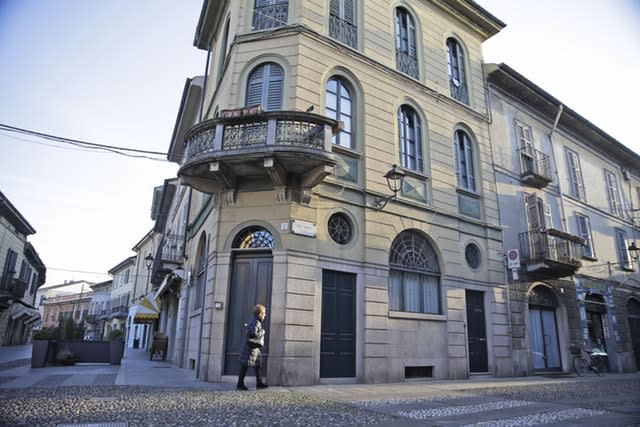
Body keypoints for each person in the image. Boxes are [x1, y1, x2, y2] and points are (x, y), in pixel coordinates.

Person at [237, 303, 269, 390]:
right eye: (264, 313)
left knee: (258, 365)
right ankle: (240, 384)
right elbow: (253, 334)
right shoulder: (255, 322)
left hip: (254, 349)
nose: (265, 315)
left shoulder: (255, 321)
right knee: (244, 365)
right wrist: (262, 332)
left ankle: (259, 383)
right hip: (250, 348)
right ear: (259, 314)